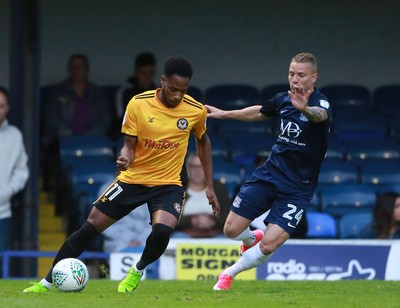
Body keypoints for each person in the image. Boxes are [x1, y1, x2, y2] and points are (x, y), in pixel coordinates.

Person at [23, 57, 220, 293]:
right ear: (163, 81)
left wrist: (209, 185)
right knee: (90, 226)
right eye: (173, 89)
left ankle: (137, 270)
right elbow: (128, 144)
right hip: (133, 179)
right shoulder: (138, 104)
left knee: (162, 231)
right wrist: (125, 157)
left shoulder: (195, 110)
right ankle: (45, 283)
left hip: (169, 183)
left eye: (183, 90)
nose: (178, 96)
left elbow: (203, 143)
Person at [206, 52, 332, 290]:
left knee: (270, 245)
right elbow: (259, 111)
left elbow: (320, 116)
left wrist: (305, 109)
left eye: (301, 75)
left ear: (313, 77)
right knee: (230, 230)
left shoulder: (321, 103)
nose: (295, 80)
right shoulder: (283, 99)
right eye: (291, 74)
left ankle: (229, 273)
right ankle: (251, 237)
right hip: (270, 175)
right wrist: (224, 114)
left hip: (298, 188)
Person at [42, 54, 111, 150]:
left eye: (79, 67)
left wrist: (90, 135)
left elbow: (105, 118)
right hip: (64, 139)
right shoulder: (59, 91)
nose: (76, 70)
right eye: (72, 67)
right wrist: (69, 134)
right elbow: (51, 117)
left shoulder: (97, 92)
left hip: (92, 139)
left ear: (87, 70)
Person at [0, 86, 29, 264]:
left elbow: (21, 171)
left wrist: (6, 192)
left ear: (7, 108)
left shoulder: (15, 135)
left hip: (1, 212)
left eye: (1, 105)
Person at [173, 153, 231, 238]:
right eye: (194, 166)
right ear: (187, 168)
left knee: (224, 240)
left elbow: (228, 216)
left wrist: (213, 221)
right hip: (184, 234)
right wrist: (192, 221)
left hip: (215, 234)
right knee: (178, 237)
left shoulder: (218, 188)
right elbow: (171, 218)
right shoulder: (178, 188)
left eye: (201, 166)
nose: (198, 171)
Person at [115, 52, 157, 124]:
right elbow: (121, 119)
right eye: (143, 73)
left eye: (151, 73)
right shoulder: (125, 93)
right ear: (136, 73)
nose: (147, 77)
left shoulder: (160, 92)